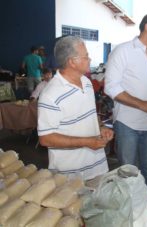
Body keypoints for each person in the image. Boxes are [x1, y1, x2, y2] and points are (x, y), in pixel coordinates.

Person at [104, 13, 147, 199]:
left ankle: (146, 206)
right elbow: (111, 86)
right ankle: (128, 207)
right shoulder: (123, 51)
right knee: (127, 171)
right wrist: (142, 105)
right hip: (127, 124)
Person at [38, 36, 114, 180]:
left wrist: (100, 128)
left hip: (97, 166)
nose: (89, 59)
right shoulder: (50, 95)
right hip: (70, 175)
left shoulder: (86, 83)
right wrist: (87, 142)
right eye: (85, 56)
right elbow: (46, 138)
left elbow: (90, 116)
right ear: (72, 62)